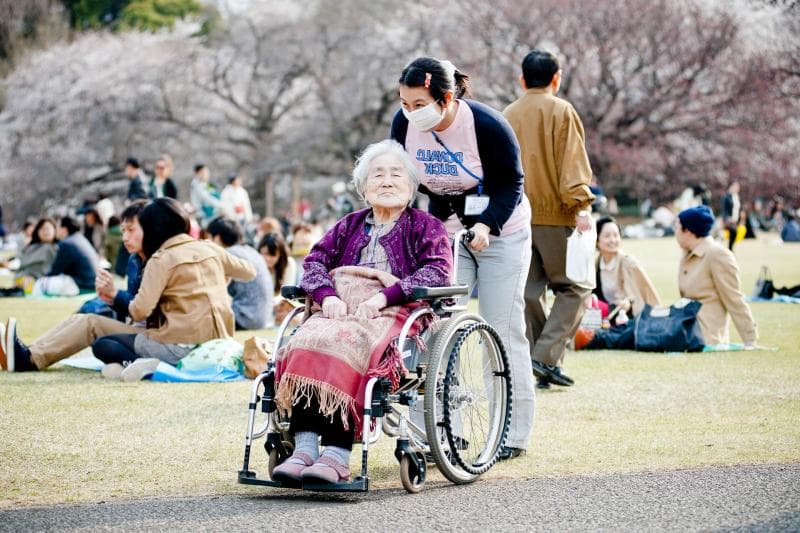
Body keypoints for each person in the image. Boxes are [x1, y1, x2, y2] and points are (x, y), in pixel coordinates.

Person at [271, 140, 452, 485]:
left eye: (395, 174)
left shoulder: (427, 227)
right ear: (363, 188)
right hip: (337, 307)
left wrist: (384, 297)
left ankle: (337, 455)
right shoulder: (347, 225)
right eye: (377, 175)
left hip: (393, 313)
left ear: (412, 186)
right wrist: (326, 297)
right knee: (303, 340)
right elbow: (314, 263)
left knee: (347, 343)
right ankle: (304, 449)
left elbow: (437, 272)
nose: (386, 181)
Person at [390, 56, 535, 460]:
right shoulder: (403, 125)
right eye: (404, 103)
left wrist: (487, 225)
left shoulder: (486, 126)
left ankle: (511, 432)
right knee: (432, 326)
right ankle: (431, 429)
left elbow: (511, 184)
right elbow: (400, 177)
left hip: (500, 231)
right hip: (447, 232)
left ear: (447, 97)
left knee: (501, 328)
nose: (410, 112)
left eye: (420, 104)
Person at [503, 48, 595, 389]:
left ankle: (540, 361)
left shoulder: (508, 114)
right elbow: (572, 165)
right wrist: (581, 206)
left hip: (515, 217)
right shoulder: (562, 111)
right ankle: (543, 358)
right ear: (557, 78)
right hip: (558, 215)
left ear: (522, 79)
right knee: (575, 288)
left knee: (529, 292)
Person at [0, 201, 148, 372]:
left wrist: (115, 294)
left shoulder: (157, 262)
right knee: (80, 317)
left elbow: (143, 308)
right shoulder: (135, 259)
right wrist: (112, 298)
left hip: (150, 336)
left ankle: (30, 359)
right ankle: (29, 352)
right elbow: (133, 305)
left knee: (89, 322)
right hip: (135, 325)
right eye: (123, 231)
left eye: (131, 230)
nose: (125, 237)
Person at [675, 205, 757, 347]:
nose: (675, 232)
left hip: (706, 336)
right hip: (685, 328)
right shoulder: (687, 254)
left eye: (677, 227)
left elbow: (734, 299)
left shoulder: (717, 255)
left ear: (688, 231)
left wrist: (750, 339)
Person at [207, 216, 274, 330]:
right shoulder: (251, 251)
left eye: (209, 238)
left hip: (244, 318)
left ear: (217, 238)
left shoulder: (228, 254)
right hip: (263, 318)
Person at [593, 217, 661, 326]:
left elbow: (646, 295)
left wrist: (628, 304)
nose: (613, 240)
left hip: (628, 318)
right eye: (607, 236)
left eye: (616, 235)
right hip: (605, 318)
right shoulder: (595, 265)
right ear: (596, 240)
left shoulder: (629, 263)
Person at [44, 216, 99, 292]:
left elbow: (55, 271)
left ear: (64, 229)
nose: (56, 231)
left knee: (46, 284)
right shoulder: (80, 238)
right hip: (94, 283)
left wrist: (42, 279)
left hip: (84, 285)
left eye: (58, 227)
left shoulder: (66, 244)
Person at [720, 181, 741, 251]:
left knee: (734, 234)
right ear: (731, 186)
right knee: (733, 232)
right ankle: (729, 250)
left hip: (735, 220)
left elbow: (737, 209)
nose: (737, 188)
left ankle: (730, 250)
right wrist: (726, 218)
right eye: (735, 186)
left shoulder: (736, 196)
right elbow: (723, 209)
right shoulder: (726, 196)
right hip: (728, 220)